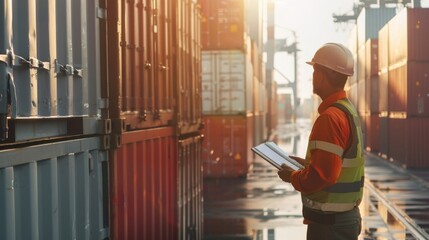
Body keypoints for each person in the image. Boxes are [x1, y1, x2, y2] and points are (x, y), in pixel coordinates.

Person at [277, 42, 364, 240]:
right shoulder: (347, 110)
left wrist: (293, 176)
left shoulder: (329, 118)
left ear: (322, 76)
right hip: (343, 220)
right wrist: (308, 164)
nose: (313, 77)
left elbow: (323, 177)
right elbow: (337, 164)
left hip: (329, 227)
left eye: (315, 71)